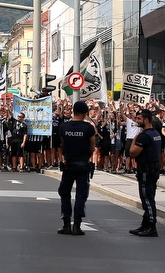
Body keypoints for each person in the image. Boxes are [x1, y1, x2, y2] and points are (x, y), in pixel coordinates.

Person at [56, 101, 96, 236]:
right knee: (81, 195)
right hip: (83, 165)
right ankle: (77, 226)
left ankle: (66, 224)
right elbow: (92, 148)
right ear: (85, 113)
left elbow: (61, 146)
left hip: (68, 165)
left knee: (64, 193)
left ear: (73, 111)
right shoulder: (89, 128)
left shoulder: (64, 127)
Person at [128, 108, 162, 237]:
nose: (137, 121)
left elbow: (133, 152)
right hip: (154, 169)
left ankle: (151, 225)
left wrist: (135, 138)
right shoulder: (156, 134)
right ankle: (145, 223)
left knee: (147, 199)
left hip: (146, 171)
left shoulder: (144, 136)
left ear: (146, 120)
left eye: (139, 118)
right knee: (149, 197)